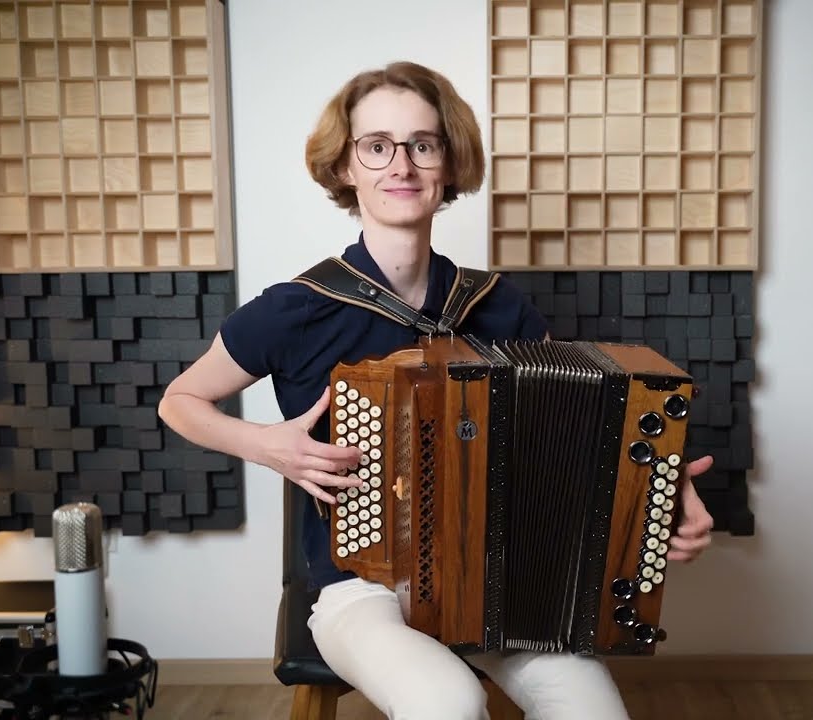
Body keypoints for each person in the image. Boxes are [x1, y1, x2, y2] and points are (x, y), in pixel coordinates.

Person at [159, 61, 716, 719]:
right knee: (446, 702)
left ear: (448, 165)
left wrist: (663, 490)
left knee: (595, 711)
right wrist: (268, 446)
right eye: (376, 147)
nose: (402, 165)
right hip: (355, 589)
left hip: (492, 585)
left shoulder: (496, 305)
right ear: (346, 167)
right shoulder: (298, 308)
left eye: (423, 144)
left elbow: (579, 430)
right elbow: (180, 401)